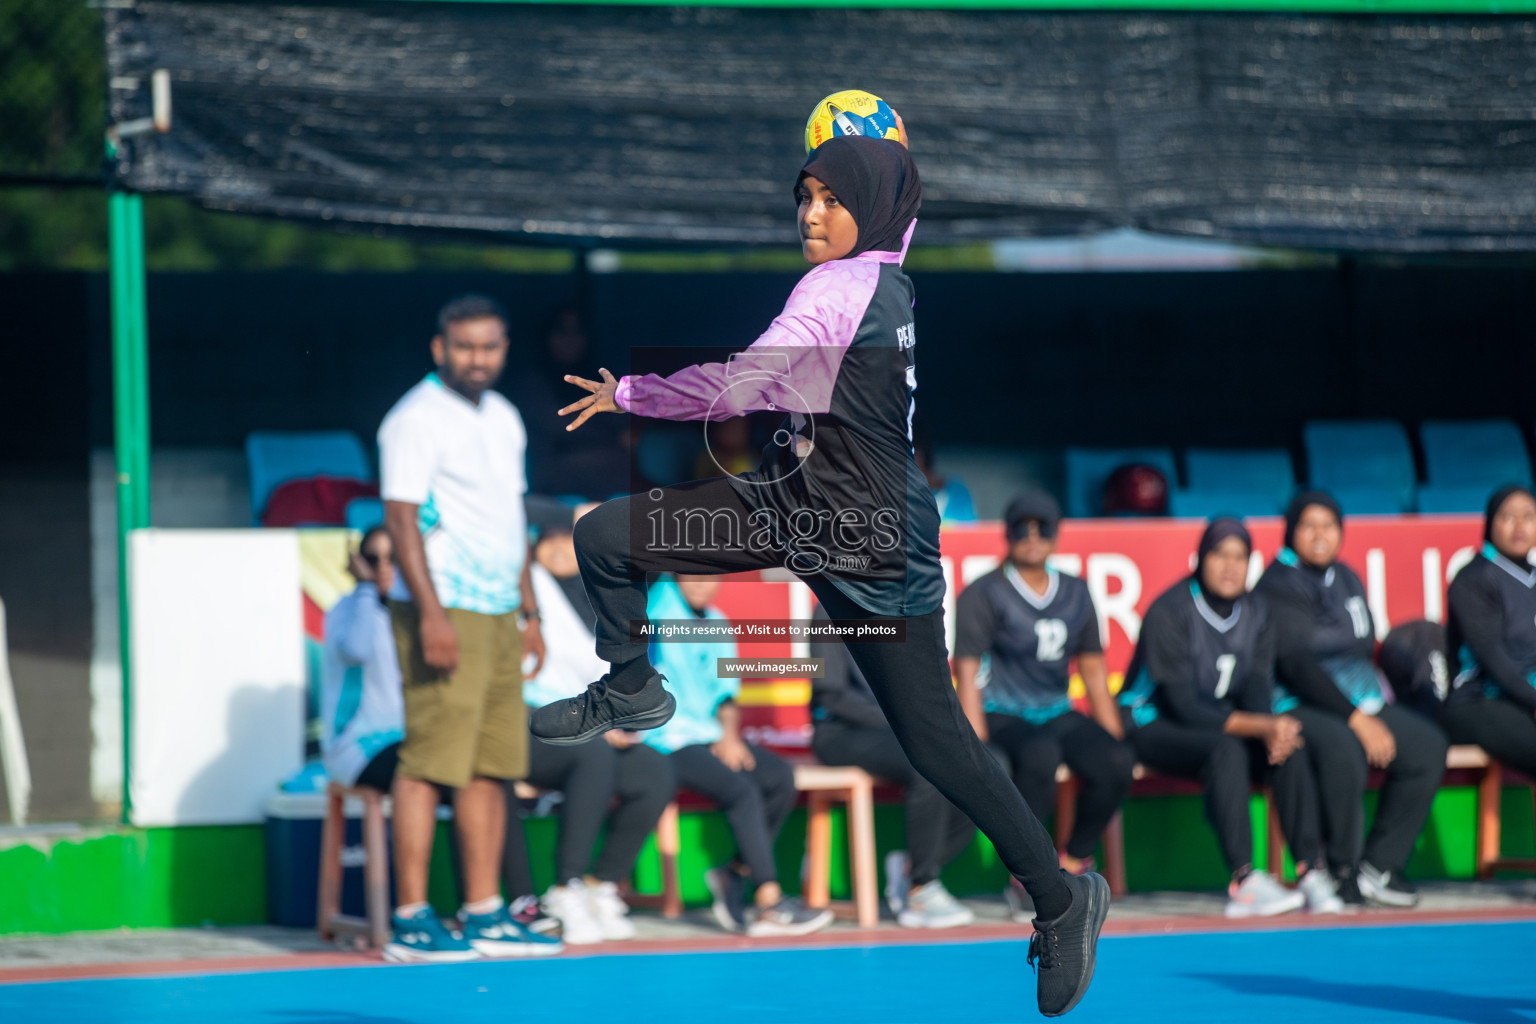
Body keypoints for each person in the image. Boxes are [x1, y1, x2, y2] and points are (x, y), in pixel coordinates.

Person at [530, 128, 1108, 1016]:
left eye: (831, 198)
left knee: (937, 745)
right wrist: (871, 152)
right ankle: (634, 686)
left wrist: (634, 394)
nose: (809, 212)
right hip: (793, 503)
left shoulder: (837, 287)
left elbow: (744, 386)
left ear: (869, 210)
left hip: (874, 540)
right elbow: (895, 209)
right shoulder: (890, 271)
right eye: (803, 195)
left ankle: (1062, 900)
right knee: (609, 534)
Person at [378, 294, 558, 961]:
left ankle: (484, 913)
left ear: (503, 348)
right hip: (442, 608)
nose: (476, 358)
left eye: (488, 347)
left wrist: (530, 613)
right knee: (430, 761)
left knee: (490, 766)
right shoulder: (414, 419)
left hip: (498, 612)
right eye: (463, 346)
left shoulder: (505, 417)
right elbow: (399, 520)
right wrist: (429, 613)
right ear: (439, 348)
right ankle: (411, 917)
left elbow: (510, 520)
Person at [1118, 518, 1341, 918]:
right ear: (1200, 559)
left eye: (1239, 557)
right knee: (1227, 750)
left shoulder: (1257, 610)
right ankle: (1245, 882)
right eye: (1219, 554)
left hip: (1221, 722)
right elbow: (1180, 704)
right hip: (1150, 721)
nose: (1229, 566)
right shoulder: (1169, 610)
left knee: (1288, 746)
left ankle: (1310, 871)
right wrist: (1262, 725)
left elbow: (1257, 686)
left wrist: (1271, 731)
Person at [1255, 491, 1449, 908]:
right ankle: (1343, 869)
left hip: (1360, 699)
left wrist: (1370, 707)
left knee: (1427, 746)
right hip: (1297, 701)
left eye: (1329, 525)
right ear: (1291, 531)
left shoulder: (1346, 576)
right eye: (1309, 525)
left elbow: (1361, 648)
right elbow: (1296, 664)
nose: (1320, 535)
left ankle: (1378, 867)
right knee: (1345, 749)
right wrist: (1357, 718)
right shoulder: (1276, 584)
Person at [954, 490, 1134, 920]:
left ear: (1056, 534)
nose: (1033, 538)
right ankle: (1027, 877)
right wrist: (975, 737)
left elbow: (1092, 668)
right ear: (1007, 535)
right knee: (1040, 755)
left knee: (1117, 762)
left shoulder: (1074, 591)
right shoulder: (985, 592)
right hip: (1005, 710)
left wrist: (1112, 735)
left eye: (1043, 528)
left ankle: (1073, 862)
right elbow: (966, 667)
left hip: (1055, 708)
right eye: (1022, 528)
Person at [514, 498, 677, 944]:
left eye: (574, 542)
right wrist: (578, 517)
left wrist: (620, 726)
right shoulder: (524, 587)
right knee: (592, 756)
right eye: (555, 538)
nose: (564, 549)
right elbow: (516, 506)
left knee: (653, 770)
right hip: (531, 722)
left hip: (590, 723)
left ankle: (600, 884)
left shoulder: (603, 597)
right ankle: (564, 886)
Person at [642, 574, 831, 937]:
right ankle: (768, 902)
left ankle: (734, 873)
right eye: (689, 575)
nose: (699, 583)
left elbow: (725, 696)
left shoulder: (717, 623)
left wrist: (730, 737)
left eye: (708, 575)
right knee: (741, 789)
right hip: (665, 740)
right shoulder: (655, 613)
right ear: (674, 577)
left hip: (708, 735)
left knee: (779, 777)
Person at [809, 604, 976, 929]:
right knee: (928, 765)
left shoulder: (907, 606)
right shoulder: (829, 607)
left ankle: (913, 866)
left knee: (983, 764)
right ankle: (920, 888)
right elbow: (832, 697)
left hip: (899, 729)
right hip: (841, 732)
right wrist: (905, 721)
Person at [1442, 485, 1536, 780]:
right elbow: (1494, 659)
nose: (1519, 526)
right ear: (1490, 522)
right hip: (1479, 701)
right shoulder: (1474, 578)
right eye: (1508, 516)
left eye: (1528, 516)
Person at [319, 526, 405, 794]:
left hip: (405, 741)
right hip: (355, 749)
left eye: (391, 557)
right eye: (371, 559)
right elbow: (358, 650)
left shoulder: (409, 613)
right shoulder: (346, 609)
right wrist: (365, 587)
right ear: (358, 563)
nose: (382, 567)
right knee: (424, 774)